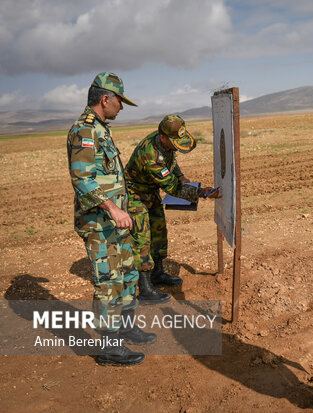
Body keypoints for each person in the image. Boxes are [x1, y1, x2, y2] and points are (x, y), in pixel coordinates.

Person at [66, 72, 155, 366]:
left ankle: (127, 327)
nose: (122, 106)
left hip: (117, 222)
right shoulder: (84, 131)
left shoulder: (101, 129)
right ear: (105, 99)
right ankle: (110, 347)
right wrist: (112, 208)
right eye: (119, 100)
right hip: (100, 223)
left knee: (128, 274)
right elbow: (83, 179)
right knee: (108, 282)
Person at [125, 114, 220, 302]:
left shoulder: (165, 140)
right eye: (173, 142)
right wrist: (201, 192)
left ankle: (157, 274)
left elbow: (171, 160)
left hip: (150, 191)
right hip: (135, 195)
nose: (176, 145)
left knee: (159, 231)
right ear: (162, 137)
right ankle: (144, 289)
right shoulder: (150, 155)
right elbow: (172, 188)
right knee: (142, 239)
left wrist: (182, 176)